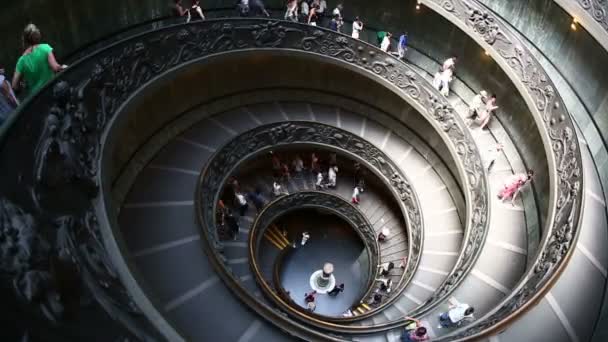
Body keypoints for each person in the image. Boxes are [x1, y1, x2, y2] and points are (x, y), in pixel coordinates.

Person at [12, 24, 68, 97]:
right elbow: (55, 67)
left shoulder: (21, 61)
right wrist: (63, 67)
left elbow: (14, 85)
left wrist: (23, 86)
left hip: (36, 99)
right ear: (37, 35)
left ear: (25, 39)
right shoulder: (45, 48)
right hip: (52, 90)